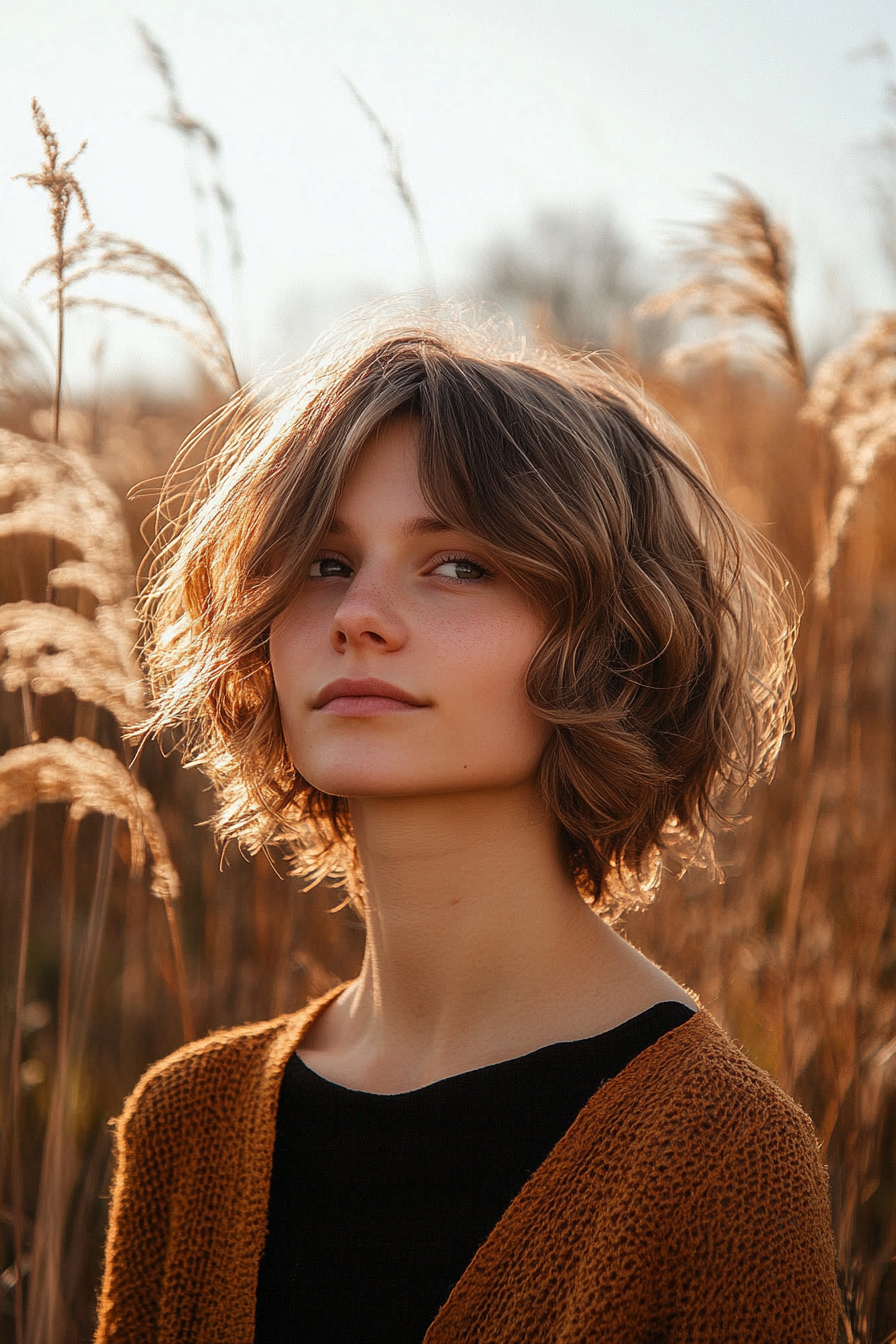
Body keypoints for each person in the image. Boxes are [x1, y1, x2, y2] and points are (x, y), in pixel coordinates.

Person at [95, 313, 840, 1344]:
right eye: (321, 562)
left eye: (455, 566)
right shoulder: (187, 1122)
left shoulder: (720, 1157)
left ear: (611, 642)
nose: (358, 613)